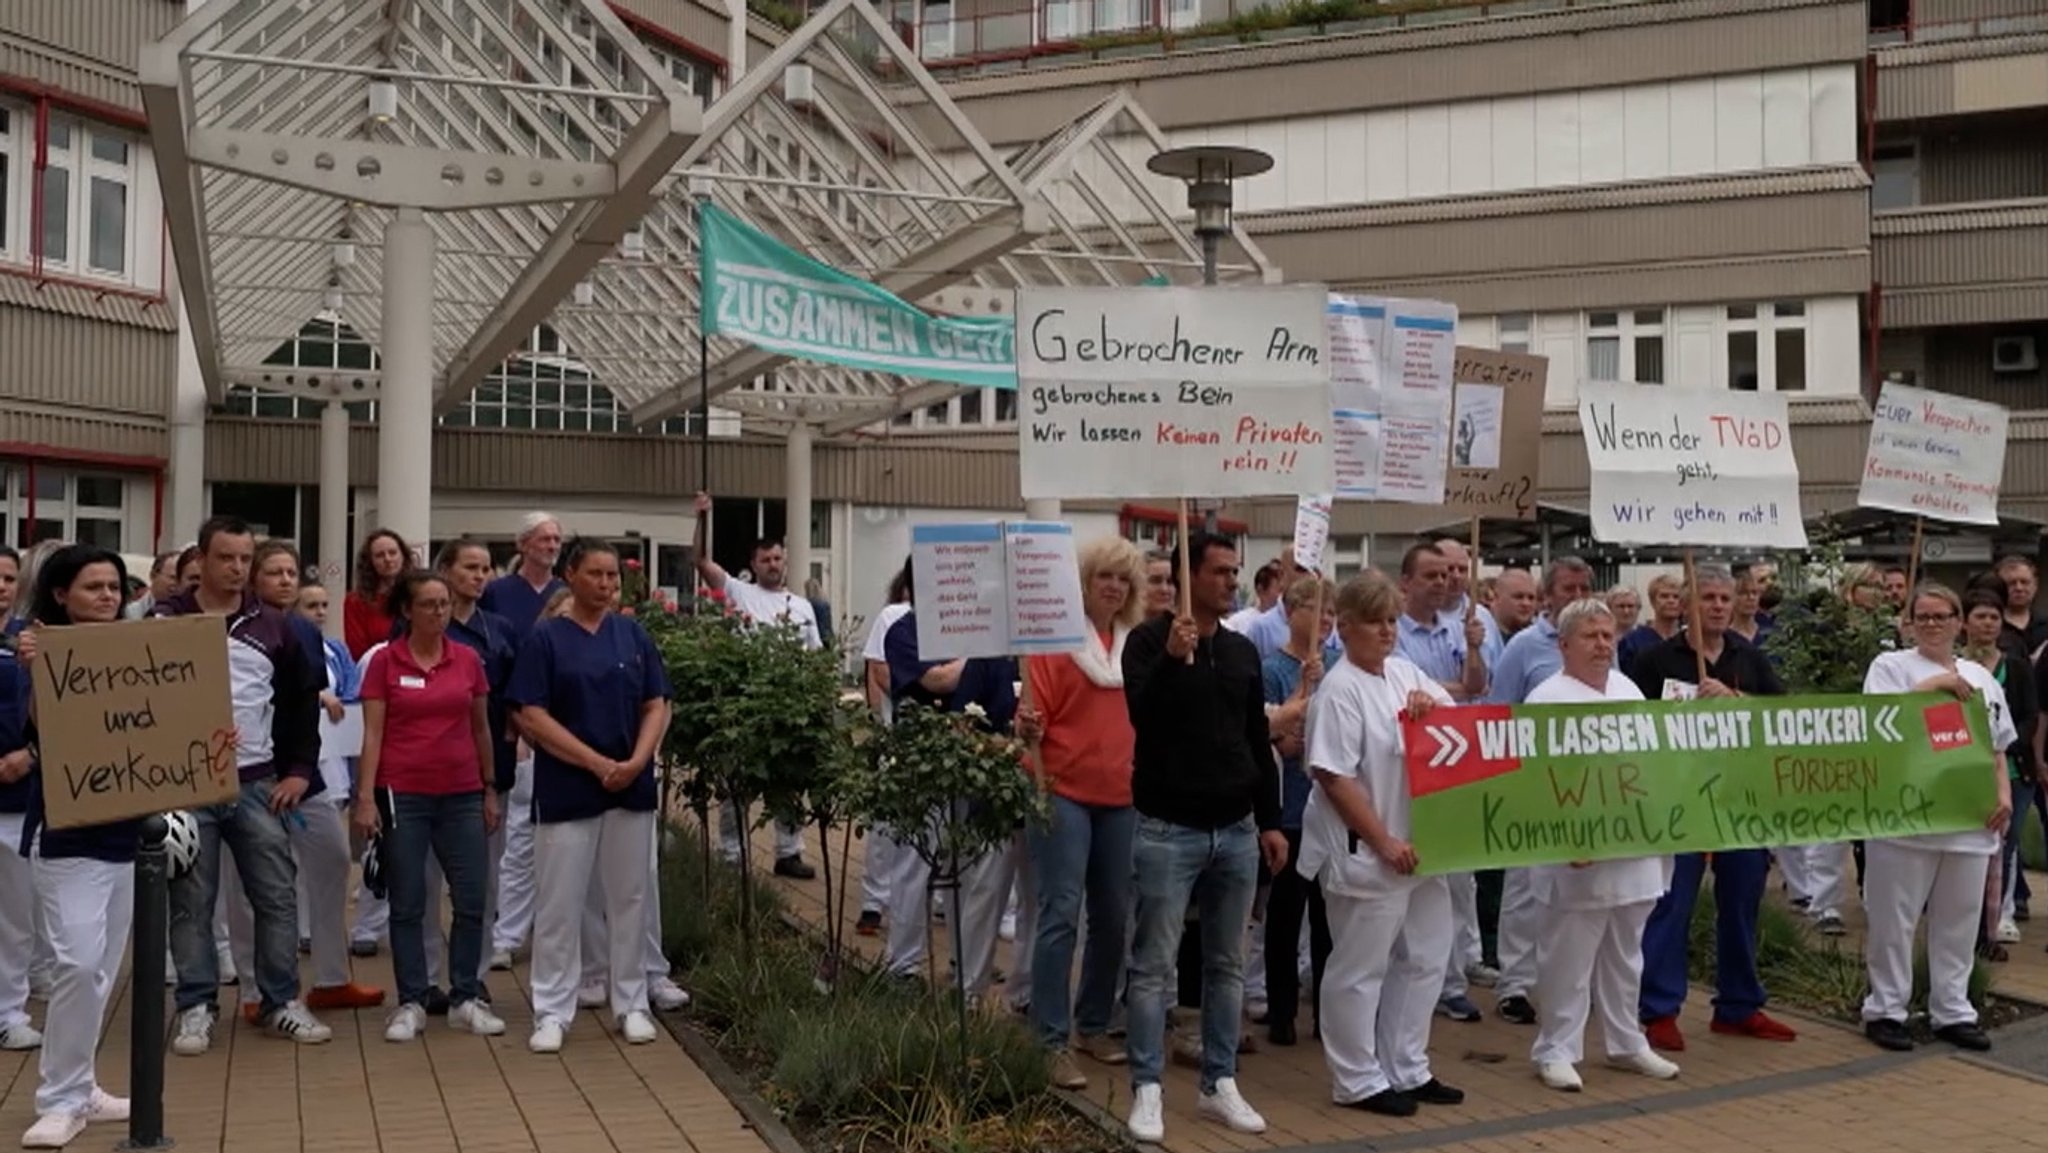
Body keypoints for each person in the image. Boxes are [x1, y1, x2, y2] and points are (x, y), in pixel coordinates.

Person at [1120, 532, 1287, 1144]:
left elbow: (1254, 739)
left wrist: (1268, 819)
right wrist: (1170, 658)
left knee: (1226, 966)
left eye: (1234, 572)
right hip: (1168, 828)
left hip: (1236, 829)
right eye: (1219, 571)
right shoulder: (1146, 643)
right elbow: (1141, 716)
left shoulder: (1242, 652)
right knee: (1153, 966)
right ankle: (1148, 1085)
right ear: (1188, 577)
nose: (1230, 581)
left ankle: (1220, 1081)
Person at [159, 516, 331, 1055]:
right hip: (186, 786)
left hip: (258, 782)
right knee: (191, 900)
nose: (236, 569)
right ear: (201, 561)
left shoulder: (279, 626)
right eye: (226, 558)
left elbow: (302, 702)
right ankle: (195, 1006)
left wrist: (301, 769)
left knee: (276, 895)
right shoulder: (164, 622)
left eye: (244, 559)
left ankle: (280, 1001)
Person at [1298, 570, 1463, 1118]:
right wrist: (1384, 840)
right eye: (1375, 621)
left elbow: (1459, 726)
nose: (1387, 631)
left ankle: (1406, 1065)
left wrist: (1430, 706)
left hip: (1424, 847)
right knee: (1359, 967)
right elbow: (1333, 776)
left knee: (1425, 957)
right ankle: (1356, 1077)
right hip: (1369, 850)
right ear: (1344, 627)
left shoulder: (1405, 673)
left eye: (1392, 620)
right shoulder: (1339, 690)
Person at [507, 538, 673, 1053]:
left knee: (630, 899)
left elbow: (657, 702)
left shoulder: (632, 635)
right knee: (560, 903)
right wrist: (594, 762)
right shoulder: (548, 640)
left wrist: (638, 761)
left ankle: (632, 1002)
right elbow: (529, 713)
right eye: (596, 575)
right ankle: (553, 1010)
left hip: (630, 785)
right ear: (571, 575)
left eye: (613, 578)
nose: (606, 585)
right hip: (568, 787)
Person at [1626, 564, 1796, 1051]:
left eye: (1726, 598)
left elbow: (1780, 719)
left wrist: (1737, 699)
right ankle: (1659, 1009)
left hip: (1738, 801)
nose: (1719, 606)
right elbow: (1634, 724)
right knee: (1672, 903)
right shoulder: (1655, 659)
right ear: (1687, 605)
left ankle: (1738, 1006)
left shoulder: (1750, 657)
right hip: (1678, 798)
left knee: (1741, 902)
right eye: (1709, 599)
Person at [1526, 598, 1680, 1092]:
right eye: (1591, 636)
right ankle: (1556, 1048)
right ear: (1564, 644)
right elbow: (1537, 781)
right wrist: (1566, 834)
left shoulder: (1627, 688)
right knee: (1568, 957)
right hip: (1577, 855)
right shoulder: (1547, 699)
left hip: (1632, 849)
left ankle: (1625, 1041)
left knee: (1625, 953)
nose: (1602, 644)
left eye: (1608, 635)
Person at [13, 547, 139, 1146]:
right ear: (61, 595)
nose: (108, 596)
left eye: (114, 586)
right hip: (68, 838)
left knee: (100, 972)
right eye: (93, 587)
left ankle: (81, 1086)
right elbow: (41, 729)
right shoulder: (40, 652)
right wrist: (39, 671)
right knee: (77, 964)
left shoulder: (140, 652)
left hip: (127, 837)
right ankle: (59, 1097)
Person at [1861, 583, 2013, 1052]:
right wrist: (1934, 686)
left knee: (1959, 920)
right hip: (1906, 818)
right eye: (1921, 616)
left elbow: (1997, 745)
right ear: (1908, 623)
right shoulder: (1890, 666)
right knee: (1894, 918)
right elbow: (1880, 723)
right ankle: (1886, 1009)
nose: (1931, 624)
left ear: (1958, 621)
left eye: (1940, 616)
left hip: (1968, 818)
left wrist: (2003, 794)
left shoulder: (1981, 677)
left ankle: (1952, 1009)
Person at [356, 569, 507, 1042]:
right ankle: (412, 1000)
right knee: (408, 901)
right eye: (428, 604)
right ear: (407, 610)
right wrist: (365, 797)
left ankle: (465, 996)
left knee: (470, 897)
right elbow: (374, 732)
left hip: (461, 791)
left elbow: (481, 728)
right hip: (404, 793)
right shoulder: (386, 661)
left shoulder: (467, 659)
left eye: (444, 604)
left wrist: (488, 787)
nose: (439, 612)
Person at [880, 558, 1037, 994]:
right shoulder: (905, 631)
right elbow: (938, 681)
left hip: (980, 768)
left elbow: (1010, 695)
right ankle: (904, 967)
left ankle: (963, 960)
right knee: (916, 866)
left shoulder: (987, 641)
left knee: (967, 873)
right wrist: (982, 649)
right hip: (923, 766)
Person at [238, 540, 381, 1018]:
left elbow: (304, 709)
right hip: (247, 772)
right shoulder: (235, 629)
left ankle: (332, 979)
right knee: (249, 885)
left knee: (334, 858)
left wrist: (300, 770)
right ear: (253, 578)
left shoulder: (304, 632)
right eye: (273, 571)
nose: (284, 580)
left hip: (304, 770)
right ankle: (256, 992)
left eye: (290, 572)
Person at [1024, 537, 1145, 1089]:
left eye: (1123, 579)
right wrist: (1027, 726)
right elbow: (1035, 718)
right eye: (1105, 577)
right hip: (1063, 792)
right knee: (1059, 915)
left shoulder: (1138, 647)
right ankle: (1048, 1040)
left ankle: (1092, 1024)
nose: (1114, 587)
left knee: (1115, 917)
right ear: (1086, 583)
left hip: (1122, 798)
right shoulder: (1052, 644)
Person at [1477, 557, 1597, 1028]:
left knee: (1576, 885)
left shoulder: (1605, 642)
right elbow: (1498, 710)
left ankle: (1567, 983)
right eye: (1569, 586)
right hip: (1533, 778)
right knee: (1525, 887)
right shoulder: (1525, 648)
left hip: (1588, 782)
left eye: (1585, 585)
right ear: (1548, 595)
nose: (1578, 593)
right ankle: (1515, 985)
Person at [693, 491, 818, 880]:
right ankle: (732, 855)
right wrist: (702, 519)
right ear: (753, 564)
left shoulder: (802, 607)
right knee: (737, 787)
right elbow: (702, 561)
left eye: (778, 558)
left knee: (786, 784)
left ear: (786, 561)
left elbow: (815, 657)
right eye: (765, 559)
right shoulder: (738, 593)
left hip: (789, 707)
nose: (773, 565)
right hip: (746, 704)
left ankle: (788, 852)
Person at [1261, 576, 1339, 1047]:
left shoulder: (1340, 664)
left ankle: (1327, 1012)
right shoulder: (1272, 668)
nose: (1326, 621)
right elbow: (1283, 743)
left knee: (1328, 919)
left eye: (1331, 613)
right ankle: (1281, 1010)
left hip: (1328, 810)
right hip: (1290, 807)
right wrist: (1305, 697)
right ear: (1292, 614)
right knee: (1285, 917)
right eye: (1317, 610)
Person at [1958, 589, 2034, 956]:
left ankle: (1994, 923)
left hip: (2013, 772)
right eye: (1980, 616)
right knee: (1970, 850)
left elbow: (2028, 715)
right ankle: (1968, 929)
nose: (1987, 624)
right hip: (1965, 772)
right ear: (1965, 622)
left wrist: (2003, 745)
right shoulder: (1953, 668)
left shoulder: (2016, 666)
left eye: (1994, 617)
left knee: (2006, 847)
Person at [854, 569, 913, 938]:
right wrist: (880, 725)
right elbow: (876, 670)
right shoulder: (894, 616)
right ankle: (874, 902)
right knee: (885, 823)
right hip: (896, 733)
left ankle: (934, 902)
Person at [0, 546, 40, 1056]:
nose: (2, 586)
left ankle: (9, 1012)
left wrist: (31, 755)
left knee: (15, 920)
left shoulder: (35, 641)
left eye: (9, 577)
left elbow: (69, 710)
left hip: (20, 801)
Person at [481, 513, 565, 634]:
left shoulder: (566, 594)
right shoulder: (495, 592)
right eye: (545, 539)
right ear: (523, 545)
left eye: (557, 540)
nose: (552, 546)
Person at [344, 529, 410, 660]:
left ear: (403, 556)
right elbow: (357, 651)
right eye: (380, 555)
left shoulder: (416, 594)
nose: (388, 559)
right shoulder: (356, 601)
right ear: (370, 562)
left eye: (393, 553)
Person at [1616, 573, 1685, 671]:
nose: (1671, 601)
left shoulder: (1690, 639)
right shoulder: (1633, 641)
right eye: (1664, 596)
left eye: (1676, 597)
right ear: (1653, 601)